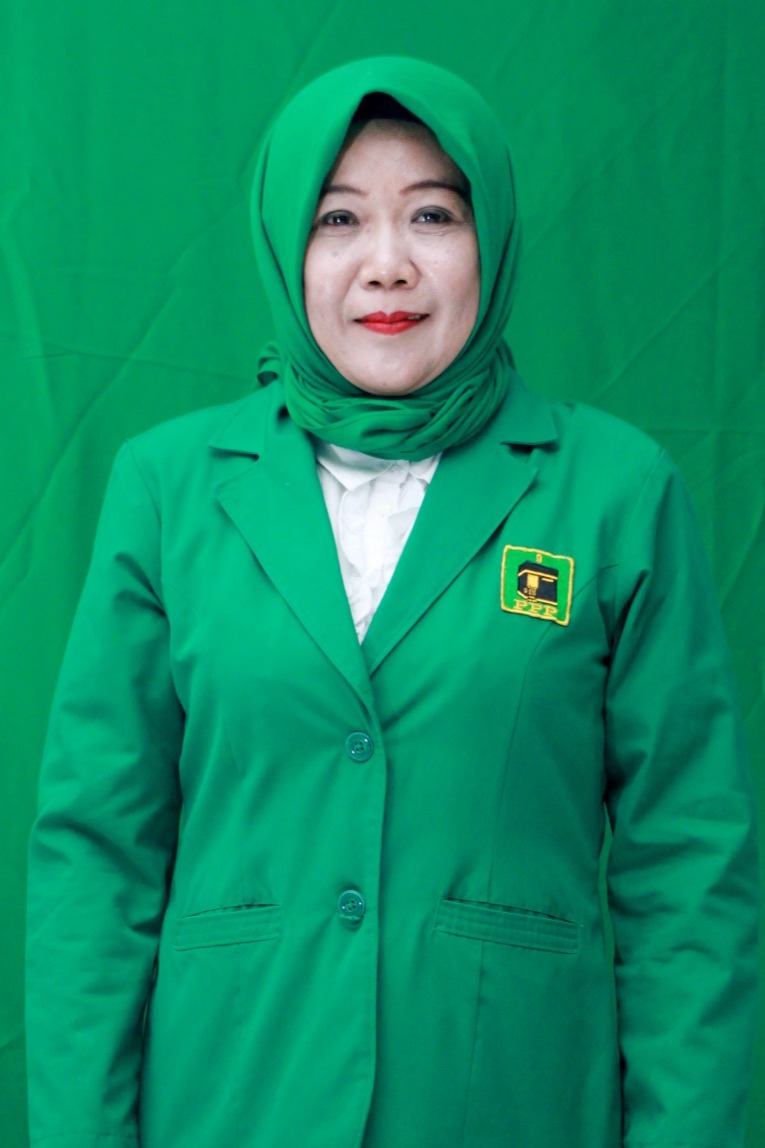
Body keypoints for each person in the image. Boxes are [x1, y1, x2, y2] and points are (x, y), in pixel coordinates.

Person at [26, 56, 759, 1148]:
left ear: (490, 238)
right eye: (338, 219)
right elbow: (97, 857)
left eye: (432, 215)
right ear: (285, 244)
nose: (387, 266)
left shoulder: (616, 491)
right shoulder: (169, 489)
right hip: (233, 1102)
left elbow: (689, 869)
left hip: (512, 1105)